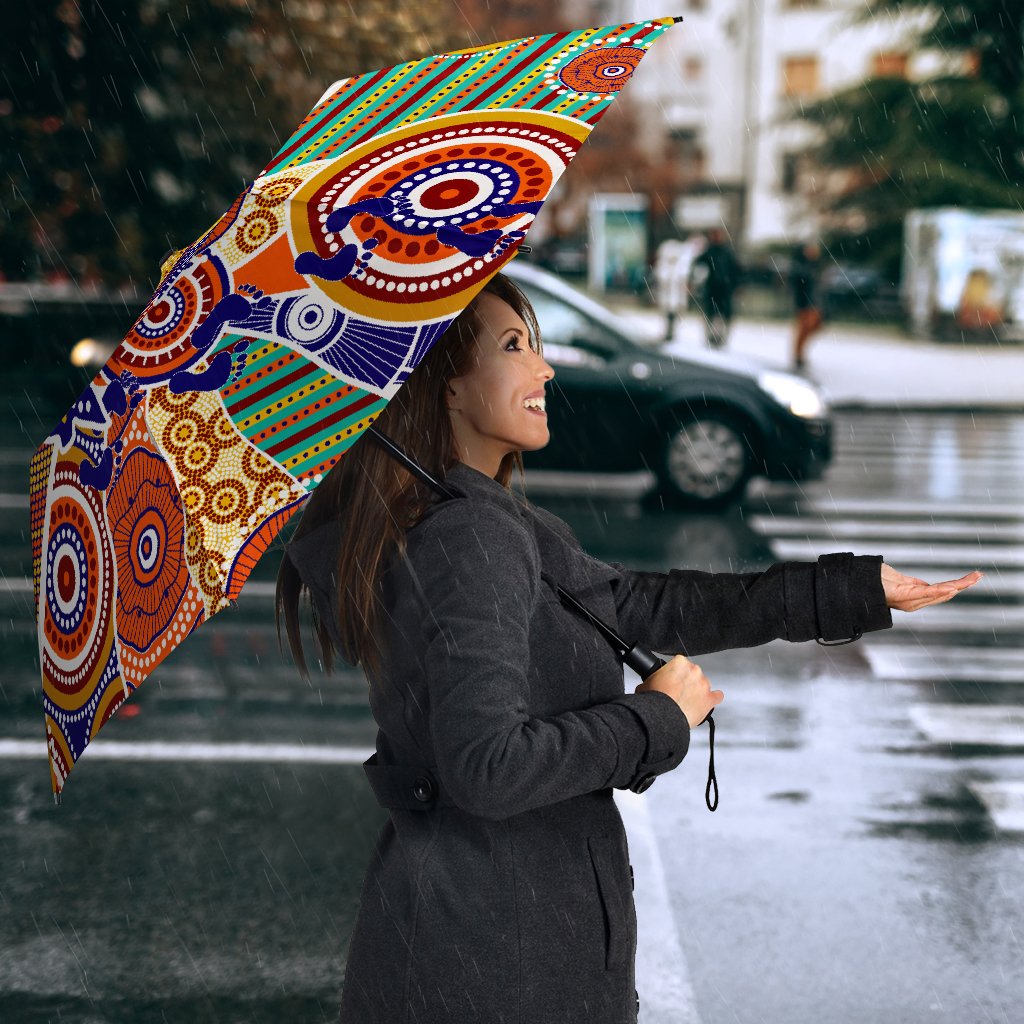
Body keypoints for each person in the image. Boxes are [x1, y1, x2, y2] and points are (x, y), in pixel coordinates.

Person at [276, 272, 981, 1024]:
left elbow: (645, 605)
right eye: (515, 346)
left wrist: (848, 590)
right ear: (447, 386)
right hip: (496, 963)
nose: (544, 368)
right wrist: (654, 719)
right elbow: (487, 767)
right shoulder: (469, 537)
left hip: (481, 943)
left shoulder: (482, 521)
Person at [691, 227, 742, 349]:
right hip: (713, 288)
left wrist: (736, 285)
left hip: (724, 289)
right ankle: (711, 336)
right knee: (711, 313)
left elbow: (736, 270)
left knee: (722, 314)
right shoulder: (710, 251)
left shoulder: (726, 252)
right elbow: (698, 264)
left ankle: (720, 337)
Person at [790, 241, 824, 370]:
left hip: (814, 302)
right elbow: (799, 284)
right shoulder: (800, 266)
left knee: (814, 326)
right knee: (804, 329)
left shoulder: (814, 266)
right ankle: (798, 355)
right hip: (805, 302)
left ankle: (800, 354)